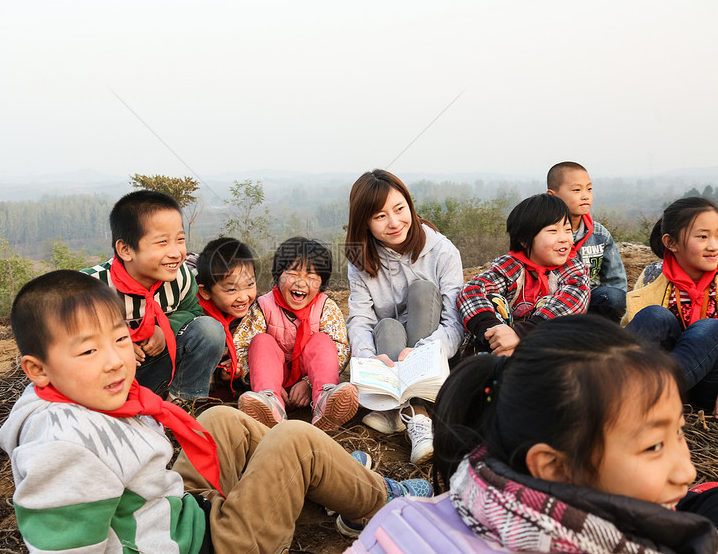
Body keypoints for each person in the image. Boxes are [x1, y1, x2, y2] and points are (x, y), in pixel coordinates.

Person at [0, 270, 432, 553]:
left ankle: (328, 478)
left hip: (171, 513)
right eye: (88, 350)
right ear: (38, 369)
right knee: (294, 440)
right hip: (211, 544)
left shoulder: (74, 398)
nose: (113, 360)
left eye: (120, 340)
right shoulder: (62, 444)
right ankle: (373, 500)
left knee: (219, 420)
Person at [347, 315, 718, 554]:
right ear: (552, 467)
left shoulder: (397, 521)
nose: (687, 471)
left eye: (680, 433)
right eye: (653, 446)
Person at [344, 169, 464, 465]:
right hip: (390, 353)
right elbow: (360, 318)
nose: (395, 222)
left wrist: (424, 351)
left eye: (399, 209)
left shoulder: (443, 252)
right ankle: (403, 407)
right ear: (365, 223)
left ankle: (416, 411)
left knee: (423, 291)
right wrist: (368, 356)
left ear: (410, 205)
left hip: (433, 353)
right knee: (385, 323)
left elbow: (454, 320)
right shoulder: (361, 260)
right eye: (380, 216)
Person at [81, 190, 224, 405]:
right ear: (126, 249)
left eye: (180, 240)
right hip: (109, 377)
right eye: (162, 242)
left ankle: (185, 403)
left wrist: (164, 330)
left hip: (158, 367)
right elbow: (72, 341)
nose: (176, 252)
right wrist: (116, 344)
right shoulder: (90, 288)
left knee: (209, 330)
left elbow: (192, 311)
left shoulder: (181, 276)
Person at [234, 237, 356, 431]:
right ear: (278, 274)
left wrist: (308, 383)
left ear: (322, 283)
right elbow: (240, 346)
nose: (301, 283)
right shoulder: (263, 307)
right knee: (260, 341)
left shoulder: (326, 307)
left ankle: (325, 401)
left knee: (323, 341)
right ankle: (269, 403)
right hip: (273, 383)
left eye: (311, 277)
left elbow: (341, 348)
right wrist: (264, 381)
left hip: (311, 381)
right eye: (292, 274)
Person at [457, 193, 589, 356]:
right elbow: (470, 291)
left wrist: (520, 334)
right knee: (492, 299)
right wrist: (494, 331)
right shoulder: (511, 267)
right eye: (553, 231)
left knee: (549, 303)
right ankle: (488, 370)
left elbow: (572, 301)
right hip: (498, 348)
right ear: (525, 240)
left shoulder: (572, 269)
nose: (564, 238)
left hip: (546, 349)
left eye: (568, 230)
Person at [623, 196, 718, 414]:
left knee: (710, 327)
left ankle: (640, 397)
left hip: (708, 386)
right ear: (671, 242)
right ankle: (613, 384)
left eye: (717, 236)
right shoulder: (652, 276)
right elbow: (632, 331)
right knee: (654, 315)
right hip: (657, 369)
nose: (713, 246)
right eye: (703, 237)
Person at [546, 161, 627, 321]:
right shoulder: (542, 234)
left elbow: (615, 280)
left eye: (589, 189)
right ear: (552, 195)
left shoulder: (599, 234)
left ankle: (598, 334)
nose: (585, 196)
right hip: (553, 304)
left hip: (591, 302)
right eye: (576, 190)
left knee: (614, 297)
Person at [195, 237, 257, 394]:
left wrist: (238, 371)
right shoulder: (197, 321)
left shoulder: (256, 315)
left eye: (249, 284)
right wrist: (219, 376)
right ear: (206, 292)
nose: (243, 297)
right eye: (231, 290)